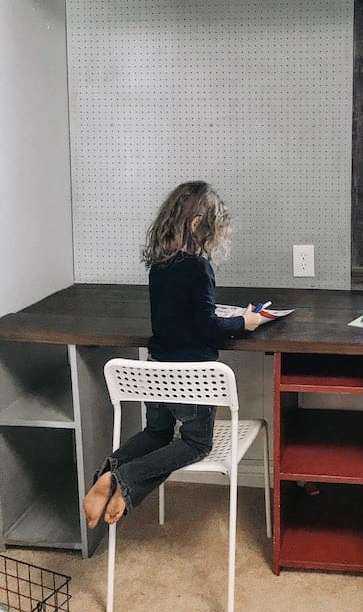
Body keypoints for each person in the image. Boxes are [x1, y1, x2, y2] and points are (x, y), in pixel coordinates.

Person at [83, 181, 262, 529]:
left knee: (156, 435)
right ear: (197, 224)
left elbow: (182, 320)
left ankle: (107, 474)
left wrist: (226, 317)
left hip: (157, 372)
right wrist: (245, 321)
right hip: (191, 378)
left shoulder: (159, 267)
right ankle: (124, 477)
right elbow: (207, 330)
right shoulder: (198, 268)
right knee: (196, 444)